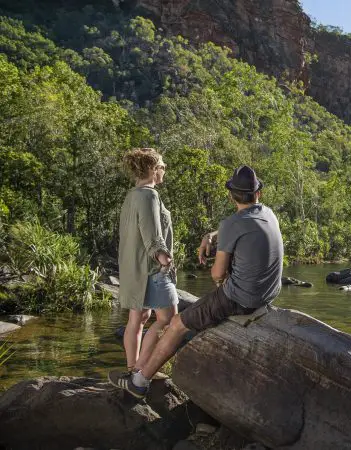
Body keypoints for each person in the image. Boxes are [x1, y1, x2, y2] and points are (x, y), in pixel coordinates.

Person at [109, 165, 284, 398]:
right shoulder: (268, 214)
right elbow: (238, 228)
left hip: (241, 298)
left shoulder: (231, 224)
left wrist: (219, 263)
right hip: (268, 294)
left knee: (177, 323)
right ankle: (140, 369)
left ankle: (139, 382)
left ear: (231, 196)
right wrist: (211, 236)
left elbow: (217, 274)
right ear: (258, 194)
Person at [117, 148, 179, 377]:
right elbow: (151, 233)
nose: (164, 170)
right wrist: (164, 259)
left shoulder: (132, 195)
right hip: (151, 269)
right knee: (168, 320)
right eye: (162, 166)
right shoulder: (149, 195)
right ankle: (141, 370)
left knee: (138, 318)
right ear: (153, 170)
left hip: (134, 268)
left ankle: (131, 369)